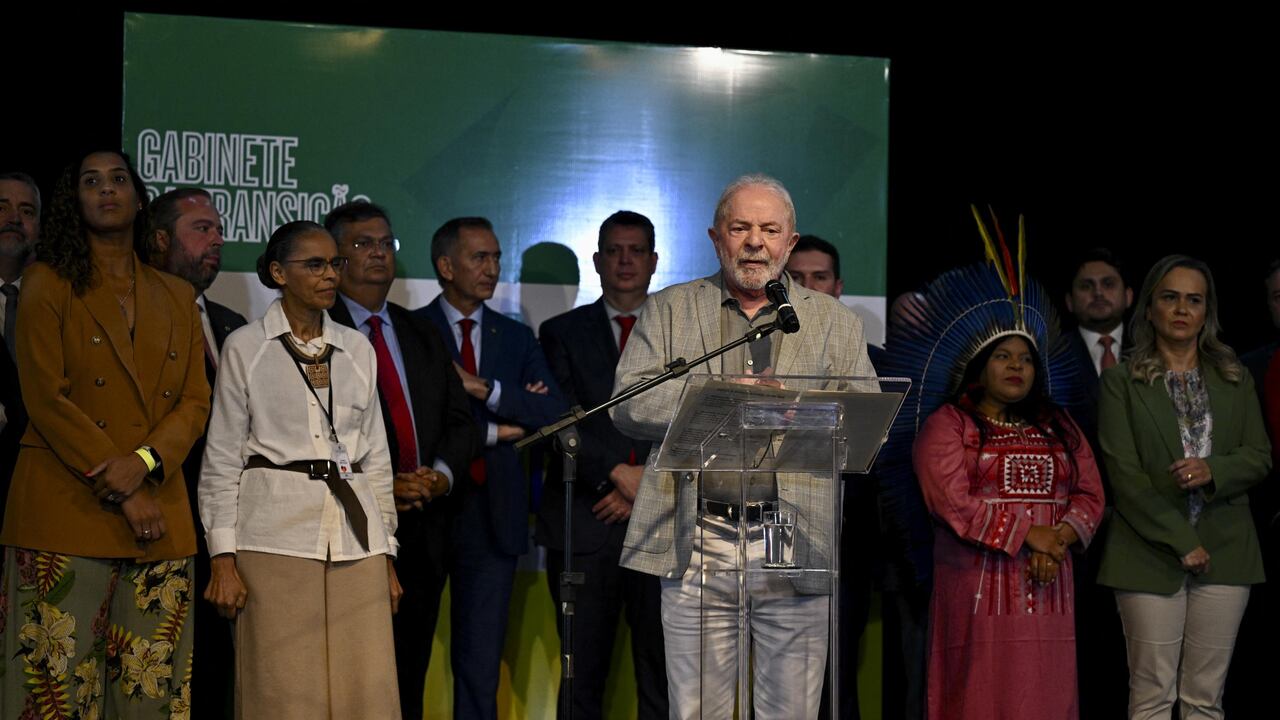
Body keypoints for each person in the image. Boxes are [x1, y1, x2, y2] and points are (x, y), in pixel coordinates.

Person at [611, 173, 876, 719]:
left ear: (790, 243)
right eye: (740, 228)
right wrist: (722, 401)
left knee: (791, 710)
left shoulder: (834, 321)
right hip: (698, 534)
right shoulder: (670, 309)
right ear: (716, 238)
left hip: (794, 532)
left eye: (769, 230)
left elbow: (864, 420)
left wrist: (791, 411)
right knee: (696, 709)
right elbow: (628, 404)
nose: (755, 242)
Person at [0, 150, 208, 719]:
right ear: (75, 202)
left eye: (118, 179)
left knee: (152, 698)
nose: (107, 189)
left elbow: (194, 401)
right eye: (92, 181)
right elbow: (45, 398)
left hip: (160, 522)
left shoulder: (177, 295)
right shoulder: (46, 283)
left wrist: (143, 463)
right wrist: (124, 485)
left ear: (140, 200)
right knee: (53, 696)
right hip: (65, 511)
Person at [199, 220, 402, 719]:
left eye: (335, 263)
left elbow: (376, 458)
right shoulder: (246, 346)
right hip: (274, 537)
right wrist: (222, 558)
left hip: (357, 540)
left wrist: (387, 552)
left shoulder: (357, 349)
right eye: (314, 264)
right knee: (283, 690)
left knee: (366, 690)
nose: (330, 274)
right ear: (278, 272)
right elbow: (222, 458)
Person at [1097, 254, 1270, 719]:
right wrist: (1181, 541)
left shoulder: (1235, 377)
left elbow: (1259, 456)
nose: (1181, 309)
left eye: (1194, 300)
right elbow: (1124, 477)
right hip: (1147, 552)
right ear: (1149, 306)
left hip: (1227, 551)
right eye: (1170, 297)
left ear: (1206, 311)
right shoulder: (1120, 382)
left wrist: (1214, 470)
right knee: (1152, 697)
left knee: (1205, 700)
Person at [324, 200, 477, 720]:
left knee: (408, 675)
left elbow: (460, 421)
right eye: (361, 244)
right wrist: (379, 486)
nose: (377, 253)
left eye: (384, 243)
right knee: (348, 679)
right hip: (349, 528)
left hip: (423, 529)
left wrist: (441, 477)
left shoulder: (421, 331)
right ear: (335, 258)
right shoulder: (316, 331)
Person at [416, 217, 565, 720]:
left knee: (481, 666)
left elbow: (550, 411)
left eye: (497, 257)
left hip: (493, 516)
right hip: (425, 511)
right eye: (479, 257)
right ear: (445, 265)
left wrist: (482, 388)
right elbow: (418, 422)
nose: (492, 268)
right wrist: (498, 430)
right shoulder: (412, 330)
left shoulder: (517, 337)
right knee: (406, 654)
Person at [913, 332, 1104, 720]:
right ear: (979, 366)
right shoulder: (950, 423)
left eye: (1026, 359)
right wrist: (1030, 535)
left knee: (1047, 690)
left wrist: (1056, 541)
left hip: (1050, 586)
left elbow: (1091, 493)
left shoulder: (1060, 425)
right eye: (1003, 356)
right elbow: (950, 501)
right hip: (976, 588)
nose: (1017, 365)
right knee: (980, 690)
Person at [537, 210, 668, 719]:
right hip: (586, 523)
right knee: (581, 679)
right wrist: (616, 473)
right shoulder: (560, 332)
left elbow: (691, 419)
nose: (625, 261)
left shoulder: (679, 335)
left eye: (636, 251)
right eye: (614, 251)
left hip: (660, 523)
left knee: (662, 677)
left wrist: (646, 485)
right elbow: (560, 418)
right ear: (597, 260)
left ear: (654, 261)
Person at [146, 186, 246, 717]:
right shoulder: (133, 314)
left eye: (219, 230)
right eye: (202, 229)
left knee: (214, 670)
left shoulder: (233, 326)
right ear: (161, 239)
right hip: (155, 513)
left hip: (224, 527)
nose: (217, 240)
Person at [784, 232, 869, 720]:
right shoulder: (759, 352)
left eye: (819, 277)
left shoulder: (870, 358)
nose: (808, 287)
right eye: (796, 278)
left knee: (837, 679)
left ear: (838, 287)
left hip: (845, 539)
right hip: (767, 536)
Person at [1058, 247, 1133, 719]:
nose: (1099, 293)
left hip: (1144, 523)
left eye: (1108, 284)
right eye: (1087, 286)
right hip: (1077, 528)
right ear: (1070, 301)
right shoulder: (1048, 356)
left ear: (1129, 295)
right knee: (1085, 647)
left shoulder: (1156, 353)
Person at [0, 171, 39, 513]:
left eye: (27, 211)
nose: (14, 218)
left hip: (35, 480)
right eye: (2, 207)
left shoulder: (61, 300)